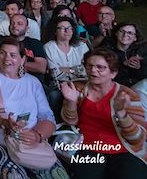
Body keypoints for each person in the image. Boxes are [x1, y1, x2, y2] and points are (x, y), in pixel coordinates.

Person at [0, 37, 69, 178]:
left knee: (58, 175)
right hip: (1, 141)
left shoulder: (33, 82)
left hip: (32, 140)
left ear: (22, 59)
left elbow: (47, 116)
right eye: (2, 53)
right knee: (15, 176)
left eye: (13, 55)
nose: (7, 58)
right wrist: (5, 123)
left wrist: (37, 135)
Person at [61, 48, 147, 178]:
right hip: (88, 147)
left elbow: (138, 139)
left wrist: (122, 114)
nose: (93, 70)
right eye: (89, 66)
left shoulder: (127, 95)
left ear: (113, 73)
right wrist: (71, 102)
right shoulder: (78, 87)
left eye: (100, 67)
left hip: (123, 150)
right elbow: (70, 121)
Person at [102, 23, 147, 87]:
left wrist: (139, 68)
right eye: (122, 31)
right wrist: (123, 64)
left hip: (138, 87)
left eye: (130, 33)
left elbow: (144, 76)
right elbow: (104, 73)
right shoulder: (107, 50)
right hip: (115, 86)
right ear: (116, 33)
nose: (125, 34)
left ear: (135, 38)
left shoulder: (141, 51)